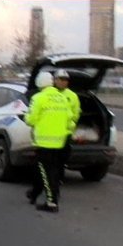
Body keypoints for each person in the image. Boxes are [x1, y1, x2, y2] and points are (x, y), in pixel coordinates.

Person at [25, 71, 73, 212]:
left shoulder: (38, 98)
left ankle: (52, 203)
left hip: (44, 143)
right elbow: (70, 120)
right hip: (60, 142)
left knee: (46, 172)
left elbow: (31, 119)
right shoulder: (62, 98)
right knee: (49, 171)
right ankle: (34, 193)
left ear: (40, 84)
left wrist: (26, 118)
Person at [53, 69, 80, 181]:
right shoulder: (50, 94)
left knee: (62, 158)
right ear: (55, 80)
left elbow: (76, 113)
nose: (64, 82)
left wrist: (71, 124)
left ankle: (59, 179)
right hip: (51, 132)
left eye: (66, 80)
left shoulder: (72, 96)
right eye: (61, 79)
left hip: (65, 133)